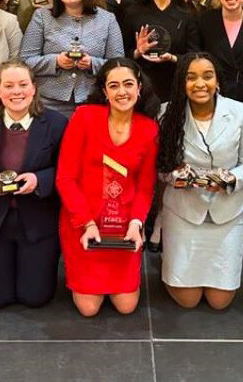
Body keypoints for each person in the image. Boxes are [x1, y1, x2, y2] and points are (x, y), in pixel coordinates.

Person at [0, 58, 68, 308]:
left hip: (37, 219)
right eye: (8, 86)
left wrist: (38, 179)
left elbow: (66, 170)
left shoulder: (56, 124)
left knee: (36, 298)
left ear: (33, 88)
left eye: (22, 84)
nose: (16, 92)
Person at [56, 58, 159, 316]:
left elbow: (145, 187)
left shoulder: (149, 129)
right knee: (88, 309)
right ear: (104, 91)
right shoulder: (84, 118)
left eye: (128, 84)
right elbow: (65, 178)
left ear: (139, 88)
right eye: (113, 86)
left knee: (127, 307)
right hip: (84, 223)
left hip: (123, 229)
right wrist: (86, 223)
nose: (121, 92)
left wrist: (137, 224)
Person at [157, 52, 243, 310]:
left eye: (207, 76)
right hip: (184, 211)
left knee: (219, 302)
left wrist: (230, 179)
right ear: (182, 83)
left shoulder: (241, 113)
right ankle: (170, 263)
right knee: (188, 301)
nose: (200, 84)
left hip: (227, 212)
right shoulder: (166, 113)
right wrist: (175, 176)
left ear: (218, 81)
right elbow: (160, 167)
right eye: (191, 78)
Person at [19, 0, 124, 118]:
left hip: (94, 102)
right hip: (48, 104)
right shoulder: (42, 16)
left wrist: (92, 64)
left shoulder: (107, 19)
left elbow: (118, 65)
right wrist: (56, 62)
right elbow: (25, 61)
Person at [121, 0, 198, 102]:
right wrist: (138, 52)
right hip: (141, 91)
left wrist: (172, 57)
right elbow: (120, 54)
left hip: (177, 91)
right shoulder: (133, 13)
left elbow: (194, 56)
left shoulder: (188, 14)